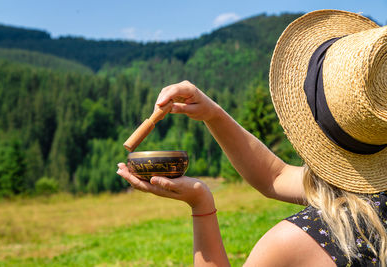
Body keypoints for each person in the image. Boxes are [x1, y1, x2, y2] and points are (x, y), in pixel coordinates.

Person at [117, 10, 387, 266]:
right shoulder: (374, 198)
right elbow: (274, 176)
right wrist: (213, 114)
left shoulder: (298, 242)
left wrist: (200, 203)